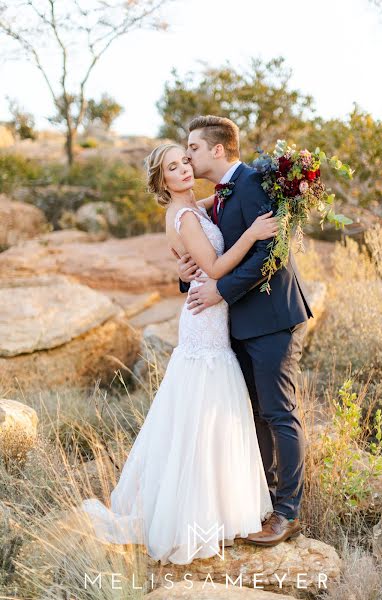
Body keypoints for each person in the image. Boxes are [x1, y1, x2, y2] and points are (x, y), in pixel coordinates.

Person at [80, 142, 282, 565]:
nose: (184, 169)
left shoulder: (195, 205)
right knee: (202, 410)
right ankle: (194, 513)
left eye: (186, 160)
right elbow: (215, 267)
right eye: (173, 167)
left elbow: (221, 195)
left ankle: (217, 505)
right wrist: (253, 232)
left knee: (204, 410)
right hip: (205, 321)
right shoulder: (186, 215)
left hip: (209, 315)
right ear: (163, 180)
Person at [178, 115, 314, 547]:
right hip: (236, 321)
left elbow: (272, 251)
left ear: (218, 149)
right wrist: (191, 278)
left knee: (278, 413)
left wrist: (220, 290)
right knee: (251, 414)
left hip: (271, 317)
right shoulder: (219, 195)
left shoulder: (254, 182)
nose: (187, 155)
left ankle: (287, 513)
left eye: (194, 148)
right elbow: (221, 252)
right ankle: (261, 500)